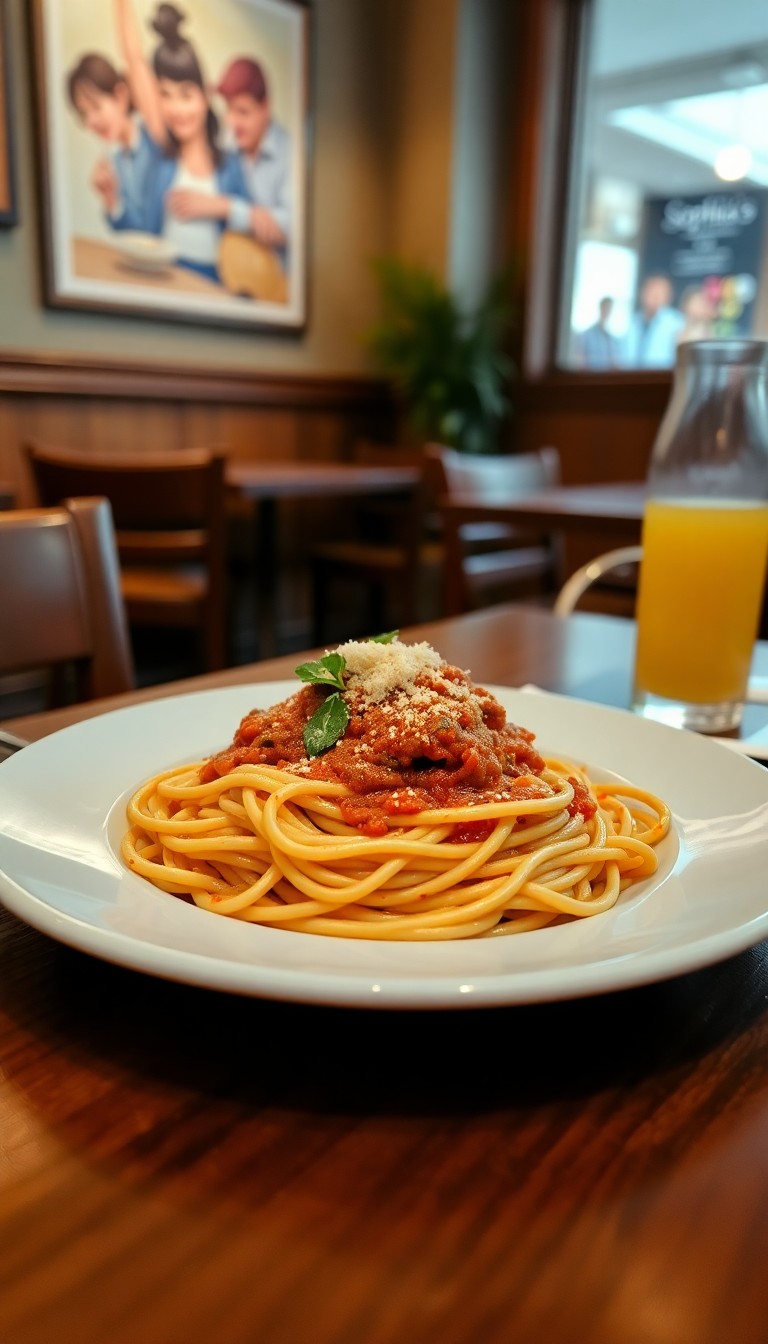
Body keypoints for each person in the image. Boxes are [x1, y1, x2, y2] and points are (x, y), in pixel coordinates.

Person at [113, 0, 249, 283]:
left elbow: (253, 226)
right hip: (165, 276)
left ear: (205, 96)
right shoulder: (161, 149)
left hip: (215, 283)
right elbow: (134, 59)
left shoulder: (230, 166)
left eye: (186, 95)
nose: (176, 109)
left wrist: (218, 206)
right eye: (165, 95)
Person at [66, 52, 154, 232]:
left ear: (120, 96)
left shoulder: (155, 138)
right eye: (84, 114)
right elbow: (136, 229)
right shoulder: (117, 160)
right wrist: (110, 199)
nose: (91, 121)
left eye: (96, 106)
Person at [620, 274, 685, 369]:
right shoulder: (630, 321)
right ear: (642, 292)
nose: (655, 296)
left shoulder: (676, 322)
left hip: (661, 376)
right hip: (628, 375)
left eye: (661, 292)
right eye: (652, 290)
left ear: (669, 296)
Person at [576, 296, 619, 370]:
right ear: (601, 308)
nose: (607, 312)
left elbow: (614, 362)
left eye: (610, 309)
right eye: (606, 308)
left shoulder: (610, 338)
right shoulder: (587, 335)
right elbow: (581, 362)